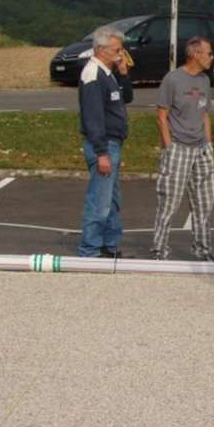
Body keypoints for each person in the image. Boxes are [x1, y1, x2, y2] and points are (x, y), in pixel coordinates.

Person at [152, 36, 214, 262]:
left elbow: (205, 114)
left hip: (202, 148)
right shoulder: (173, 79)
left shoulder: (205, 81)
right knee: (169, 202)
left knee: (204, 202)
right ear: (195, 54)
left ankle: (203, 250)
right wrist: (169, 147)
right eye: (208, 53)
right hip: (178, 147)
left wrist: (209, 144)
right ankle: (160, 250)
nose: (211, 57)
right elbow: (161, 116)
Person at [77, 26, 133, 258]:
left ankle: (109, 245)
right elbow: (93, 117)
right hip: (104, 144)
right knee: (100, 201)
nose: (121, 53)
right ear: (100, 49)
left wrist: (123, 72)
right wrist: (101, 152)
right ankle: (90, 249)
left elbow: (126, 97)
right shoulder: (92, 75)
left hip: (114, 143)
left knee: (112, 200)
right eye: (116, 50)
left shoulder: (107, 72)